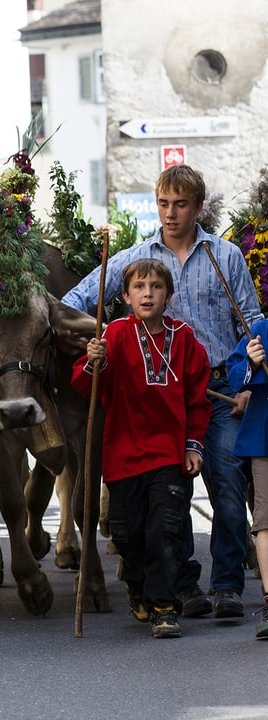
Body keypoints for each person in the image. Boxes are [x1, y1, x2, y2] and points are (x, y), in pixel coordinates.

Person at [63, 165, 262, 619]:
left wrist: (250, 383)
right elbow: (74, 303)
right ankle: (184, 584)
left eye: (181, 205)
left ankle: (228, 585)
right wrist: (93, 346)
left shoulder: (225, 256)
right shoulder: (135, 258)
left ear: (198, 206)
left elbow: (250, 324)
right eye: (163, 204)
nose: (171, 214)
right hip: (158, 399)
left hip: (220, 387)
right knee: (167, 495)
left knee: (228, 486)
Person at [71, 259, 211, 638]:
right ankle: (138, 588)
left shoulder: (184, 339)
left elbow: (198, 401)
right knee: (128, 536)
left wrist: (193, 445)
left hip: (169, 454)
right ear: (126, 296)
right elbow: (86, 388)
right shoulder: (113, 335)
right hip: (123, 455)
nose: (148, 293)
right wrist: (93, 362)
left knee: (164, 532)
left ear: (168, 294)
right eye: (139, 287)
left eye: (156, 287)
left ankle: (165, 607)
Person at [226, 320, 268, 637]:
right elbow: (234, 377)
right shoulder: (261, 331)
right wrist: (252, 362)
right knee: (265, 522)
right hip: (265, 443)